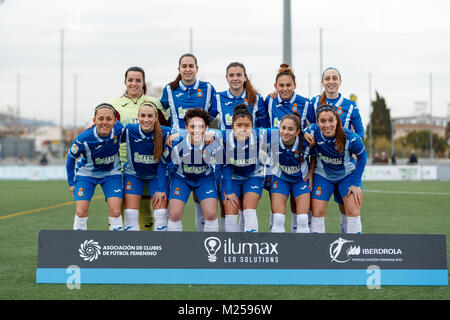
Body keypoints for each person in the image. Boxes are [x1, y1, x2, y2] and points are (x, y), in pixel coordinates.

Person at [209, 61, 269, 231]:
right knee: (228, 208)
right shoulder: (218, 98)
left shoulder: (256, 99)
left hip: (250, 162)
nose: (235, 78)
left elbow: (265, 127)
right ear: (226, 78)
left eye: (238, 75)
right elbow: (203, 122)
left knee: (247, 210)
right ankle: (228, 248)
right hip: (226, 161)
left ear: (244, 77)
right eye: (231, 75)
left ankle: (246, 247)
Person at [160, 53, 217, 231]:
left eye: (191, 66)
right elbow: (159, 111)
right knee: (174, 210)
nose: (187, 69)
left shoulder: (207, 88)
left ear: (197, 69)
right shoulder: (169, 89)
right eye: (184, 66)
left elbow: (213, 112)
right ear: (179, 69)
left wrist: (202, 131)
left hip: (201, 144)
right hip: (178, 148)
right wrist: (171, 132)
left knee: (204, 208)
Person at [109, 66, 168, 231]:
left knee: (145, 206)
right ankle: (117, 247)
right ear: (125, 82)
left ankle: (146, 247)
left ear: (143, 83)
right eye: (130, 80)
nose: (134, 83)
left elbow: (164, 130)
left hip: (148, 163)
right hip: (120, 163)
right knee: (117, 207)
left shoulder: (154, 103)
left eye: (138, 80)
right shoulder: (115, 105)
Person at [306, 67, 365, 233]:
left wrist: (350, 142)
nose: (331, 82)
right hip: (322, 163)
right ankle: (317, 252)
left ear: (340, 81)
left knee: (347, 209)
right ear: (322, 82)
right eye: (327, 79)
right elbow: (310, 127)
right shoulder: (314, 102)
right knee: (317, 211)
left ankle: (351, 247)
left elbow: (360, 133)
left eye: (334, 78)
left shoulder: (350, 106)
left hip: (345, 163)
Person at [266, 63, 314, 233]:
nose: (285, 89)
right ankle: (277, 253)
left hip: (299, 163)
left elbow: (315, 126)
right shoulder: (269, 100)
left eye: (288, 85)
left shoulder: (305, 103)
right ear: (275, 86)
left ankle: (300, 253)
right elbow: (262, 127)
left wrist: (307, 131)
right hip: (277, 165)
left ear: (295, 85)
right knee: (277, 217)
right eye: (281, 85)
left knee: (300, 216)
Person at [158, 108, 219, 232]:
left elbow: (222, 164)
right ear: (186, 128)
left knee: (211, 215)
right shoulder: (175, 141)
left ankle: (206, 249)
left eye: (201, 127)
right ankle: (175, 249)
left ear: (206, 128)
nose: (196, 130)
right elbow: (163, 163)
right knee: (174, 215)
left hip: (204, 179)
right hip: (181, 179)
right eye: (193, 127)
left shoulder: (213, 141)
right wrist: (161, 189)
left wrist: (220, 183)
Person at [66, 103, 125, 231]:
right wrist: (71, 183)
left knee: (115, 211)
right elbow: (71, 158)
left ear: (115, 120)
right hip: (86, 175)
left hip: (111, 174)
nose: (105, 122)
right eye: (100, 119)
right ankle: (78, 246)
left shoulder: (120, 129)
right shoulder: (83, 138)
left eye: (109, 119)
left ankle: (117, 247)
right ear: (94, 120)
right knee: (81, 212)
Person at [218, 105, 272, 233]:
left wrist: (307, 132)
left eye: (247, 125)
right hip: (231, 177)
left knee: (249, 210)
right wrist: (173, 136)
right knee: (231, 214)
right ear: (232, 126)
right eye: (239, 125)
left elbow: (281, 130)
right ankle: (232, 247)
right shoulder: (223, 137)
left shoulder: (259, 134)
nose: (243, 129)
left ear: (252, 126)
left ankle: (250, 246)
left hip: (253, 176)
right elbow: (201, 132)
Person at [121, 102, 172, 231]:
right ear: (138, 116)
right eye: (142, 115)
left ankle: (160, 248)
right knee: (130, 215)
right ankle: (134, 248)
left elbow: (188, 133)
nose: (146, 119)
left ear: (156, 117)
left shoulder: (166, 132)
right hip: (133, 175)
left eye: (150, 116)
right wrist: (93, 126)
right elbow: (110, 133)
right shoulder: (129, 130)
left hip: (157, 177)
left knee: (161, 215)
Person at [268, 113, 314, 233]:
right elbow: (254, 131)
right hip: (280, 178)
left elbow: (314, 155)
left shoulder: (307, 141)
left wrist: (311, 172)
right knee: (278, 219)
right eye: (283, 128)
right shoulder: (272, 136)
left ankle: (301, 251)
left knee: (303, 220)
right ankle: (278, 250)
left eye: (290, 129)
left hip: (300, 180)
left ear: (298, 131)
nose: (286, 132)